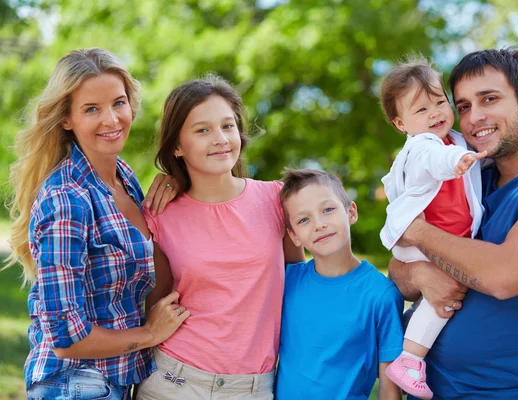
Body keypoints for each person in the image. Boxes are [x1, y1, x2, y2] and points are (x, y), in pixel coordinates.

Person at [389, 47, 518, 399]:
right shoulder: (469, 182)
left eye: (489, 99)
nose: (473, 118)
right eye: (465, 106)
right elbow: (399, 272)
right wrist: (418, 274)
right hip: (426, 389)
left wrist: (416, 229)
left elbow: (502, 277)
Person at [6, 48, 188, 400]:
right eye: (92, 109)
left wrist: (180, 181)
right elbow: (66, 337)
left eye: (118, 103)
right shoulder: (67, 199)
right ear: (66, 119)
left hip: (110, 382)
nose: (111, 119)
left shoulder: (123, 178)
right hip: (73, 385)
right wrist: (150, 334)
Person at [135, 76, 304, 400]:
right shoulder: (160, 213)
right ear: (177, 146)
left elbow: (298, 285)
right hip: (174, 381)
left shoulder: (278, 201)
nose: (220, 139)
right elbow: (157, 302)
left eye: (228, 126)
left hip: (251, 388)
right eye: (202, 130)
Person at [378, 57, 486, 399]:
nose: (435, 113)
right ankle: (410, 358)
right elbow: (436, 161)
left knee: (439, 297)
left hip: (441, 235)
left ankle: (408, 355)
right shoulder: (424, 146)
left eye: (440, 102)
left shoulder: (455, 139)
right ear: (400, 124)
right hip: (421, 237)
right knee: (445, 297)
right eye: (421, 110)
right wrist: (457, 161)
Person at [275, 168, 404, 400]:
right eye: (304, 219)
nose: (319, 224)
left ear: (351, 212)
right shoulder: (287, 282)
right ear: (293, 235)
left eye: (328, 209)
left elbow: (390, 385)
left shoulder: (381, 294)